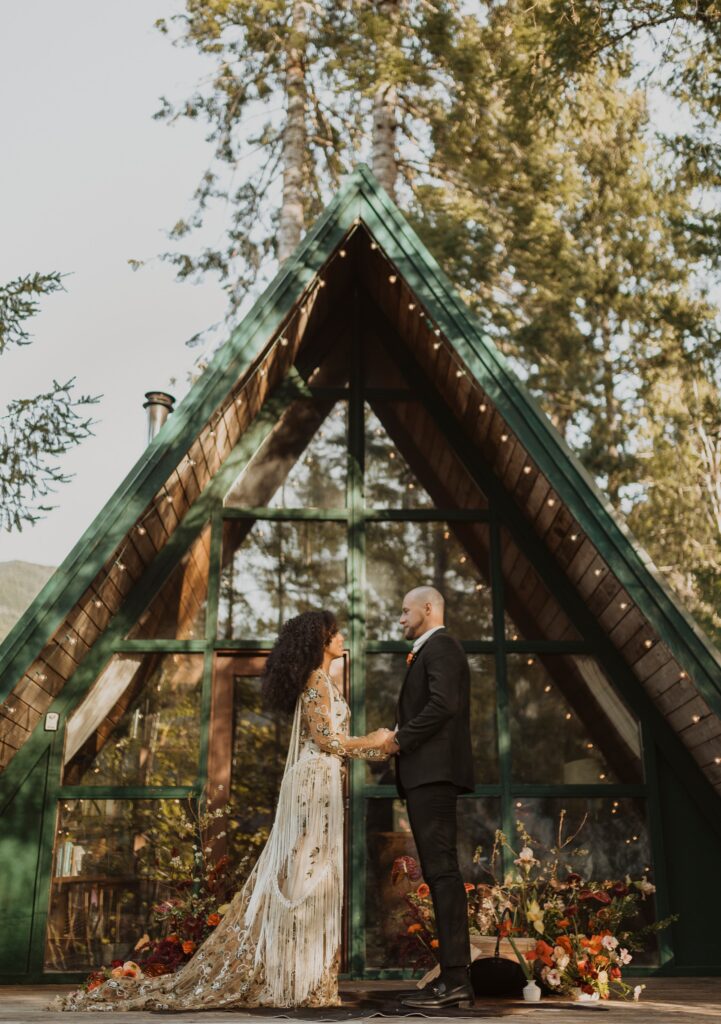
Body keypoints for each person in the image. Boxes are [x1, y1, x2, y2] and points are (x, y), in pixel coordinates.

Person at [53, 610, 392, 1012]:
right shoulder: (317, 680)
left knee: (309, 864)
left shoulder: (324, 681)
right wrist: (375, 742)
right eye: (335, 634)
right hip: (314, 781)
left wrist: (381, 746)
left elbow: (332, 741)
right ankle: (295, 970)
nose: (341, 639)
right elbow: (326, 738)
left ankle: (302, 970)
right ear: (320, 643)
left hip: (323, 779)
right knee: (306, 864)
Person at [377, 586, 475, 1010]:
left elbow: (444, 704)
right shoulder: (429, 650)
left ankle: (456, 983)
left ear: (429, 609)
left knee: (443, 874)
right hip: (425, 776)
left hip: (434, 775)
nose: (400, 618)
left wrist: (400, 739)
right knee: (438, 874)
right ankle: (451, 981)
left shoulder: (443, 646)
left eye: (405, 610)